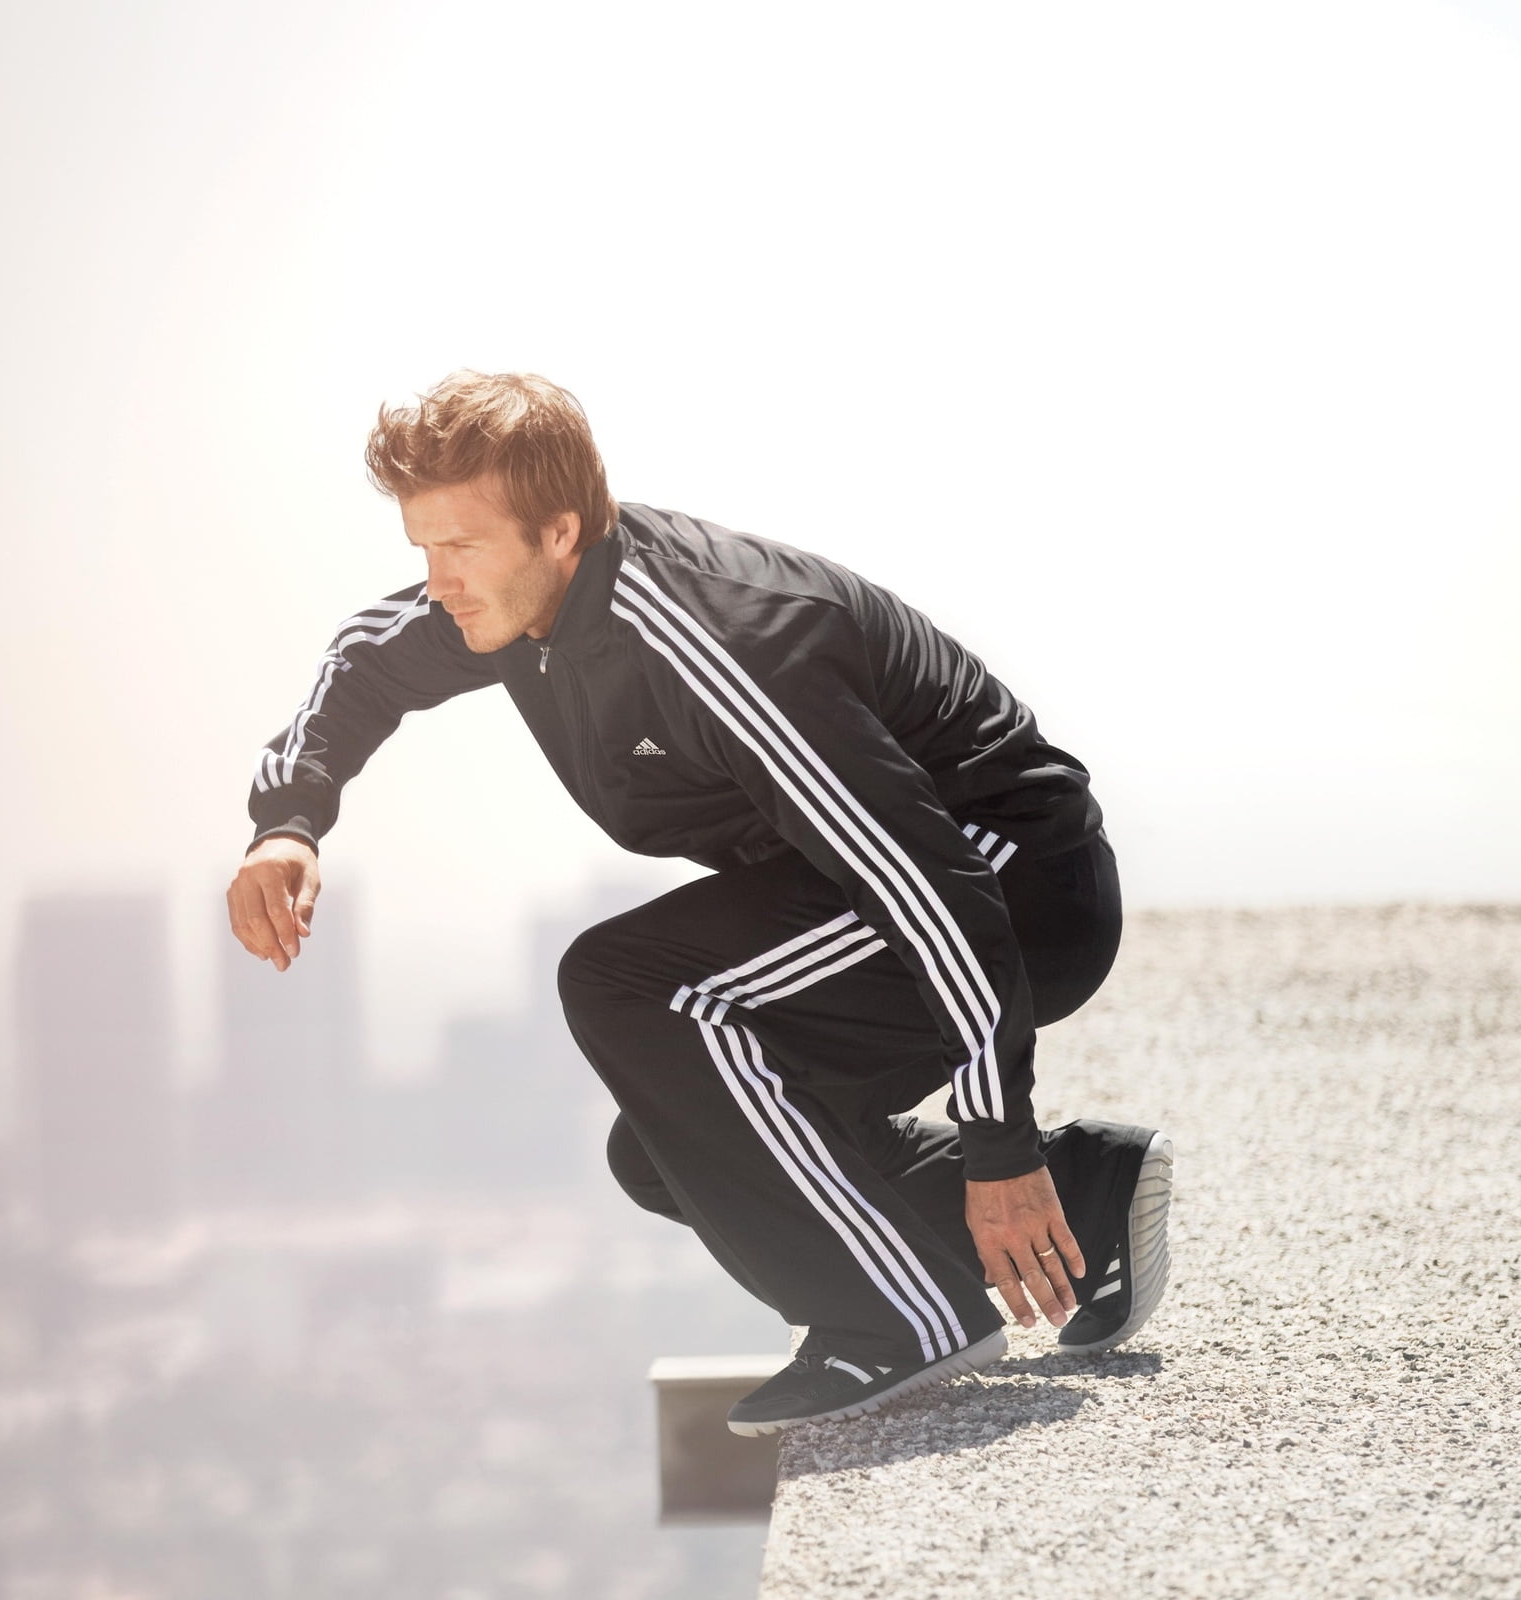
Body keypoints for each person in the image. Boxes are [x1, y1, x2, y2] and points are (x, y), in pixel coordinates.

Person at [225, 371, 1173, 1434]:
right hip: (873, 887)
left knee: (630, 983)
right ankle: (1091, 1189)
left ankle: (896, 1319)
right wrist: (288, 822)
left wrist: (999, 1144)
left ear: (560, 532)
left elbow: (927, 884)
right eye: (423, 548)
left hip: (1006, 883)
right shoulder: (511, 602)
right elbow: (364, 658)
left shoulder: (716, 642)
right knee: (679, 1152)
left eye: (461, 547)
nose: (436, 580)